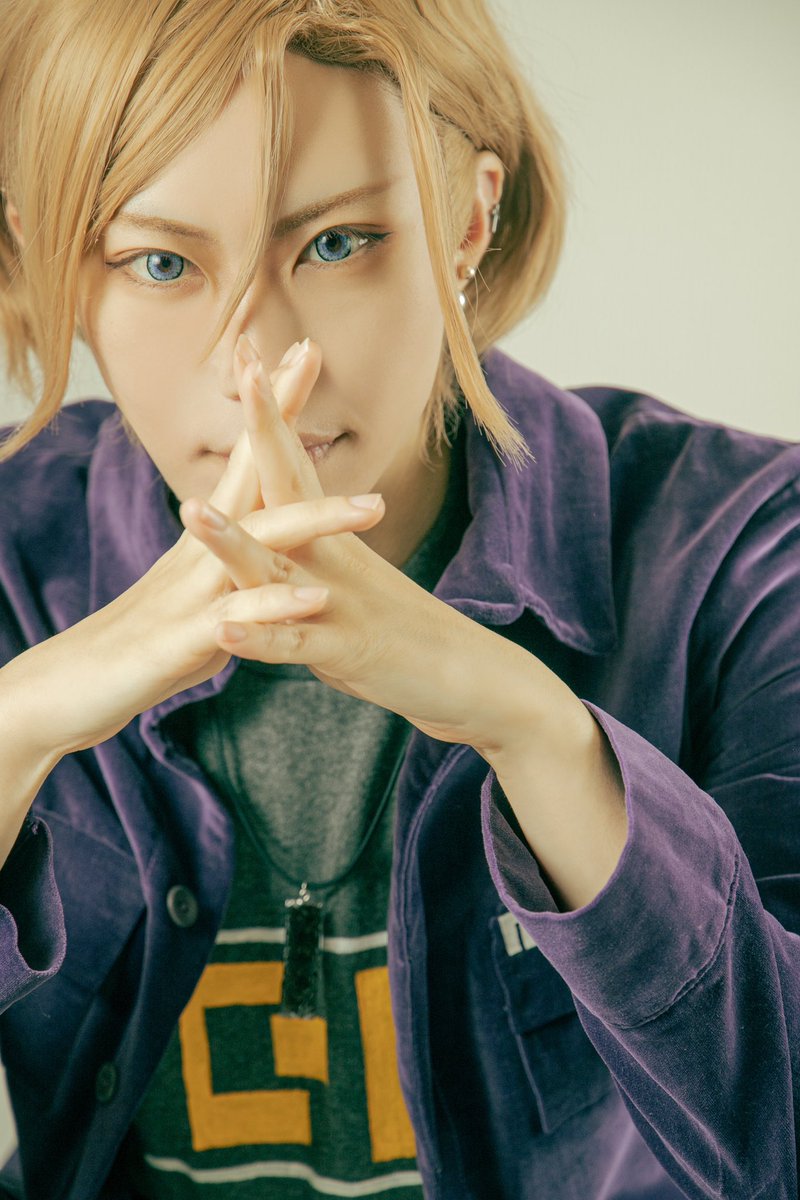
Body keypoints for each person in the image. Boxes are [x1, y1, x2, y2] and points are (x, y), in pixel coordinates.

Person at [0, 0, 798, 1197]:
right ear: (46, 258)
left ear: (467, 221)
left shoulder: (741, 546)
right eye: (161, 263)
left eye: (335, 244)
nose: (258, 362)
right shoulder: (13, 547)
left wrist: (540, 739)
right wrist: (14, 732)